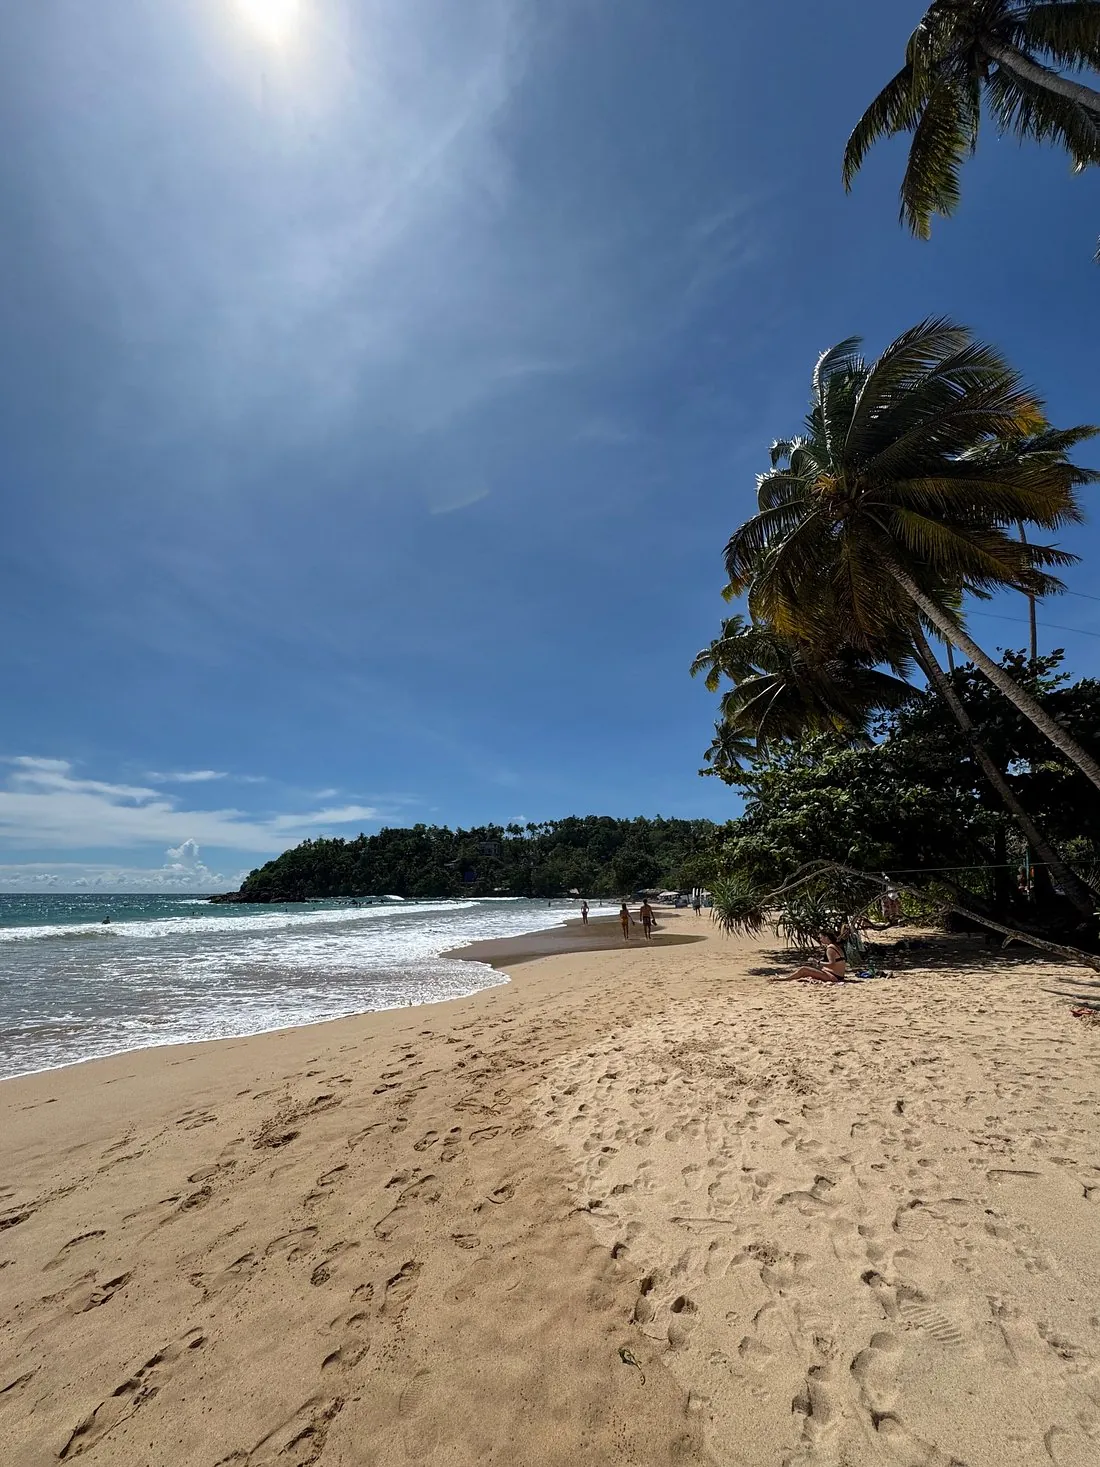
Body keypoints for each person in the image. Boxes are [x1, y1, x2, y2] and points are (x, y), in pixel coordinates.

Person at [772, 934, 847, 984]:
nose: (820, 939)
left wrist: (817, 962)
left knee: (804, 969)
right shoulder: (836, 946)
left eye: (821, 937)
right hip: (838, 975)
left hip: (833, 977)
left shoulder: (830, 948)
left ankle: (786, 979)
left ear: (826, 937)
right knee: (808, 970)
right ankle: (789, 977)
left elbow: (832, 964)